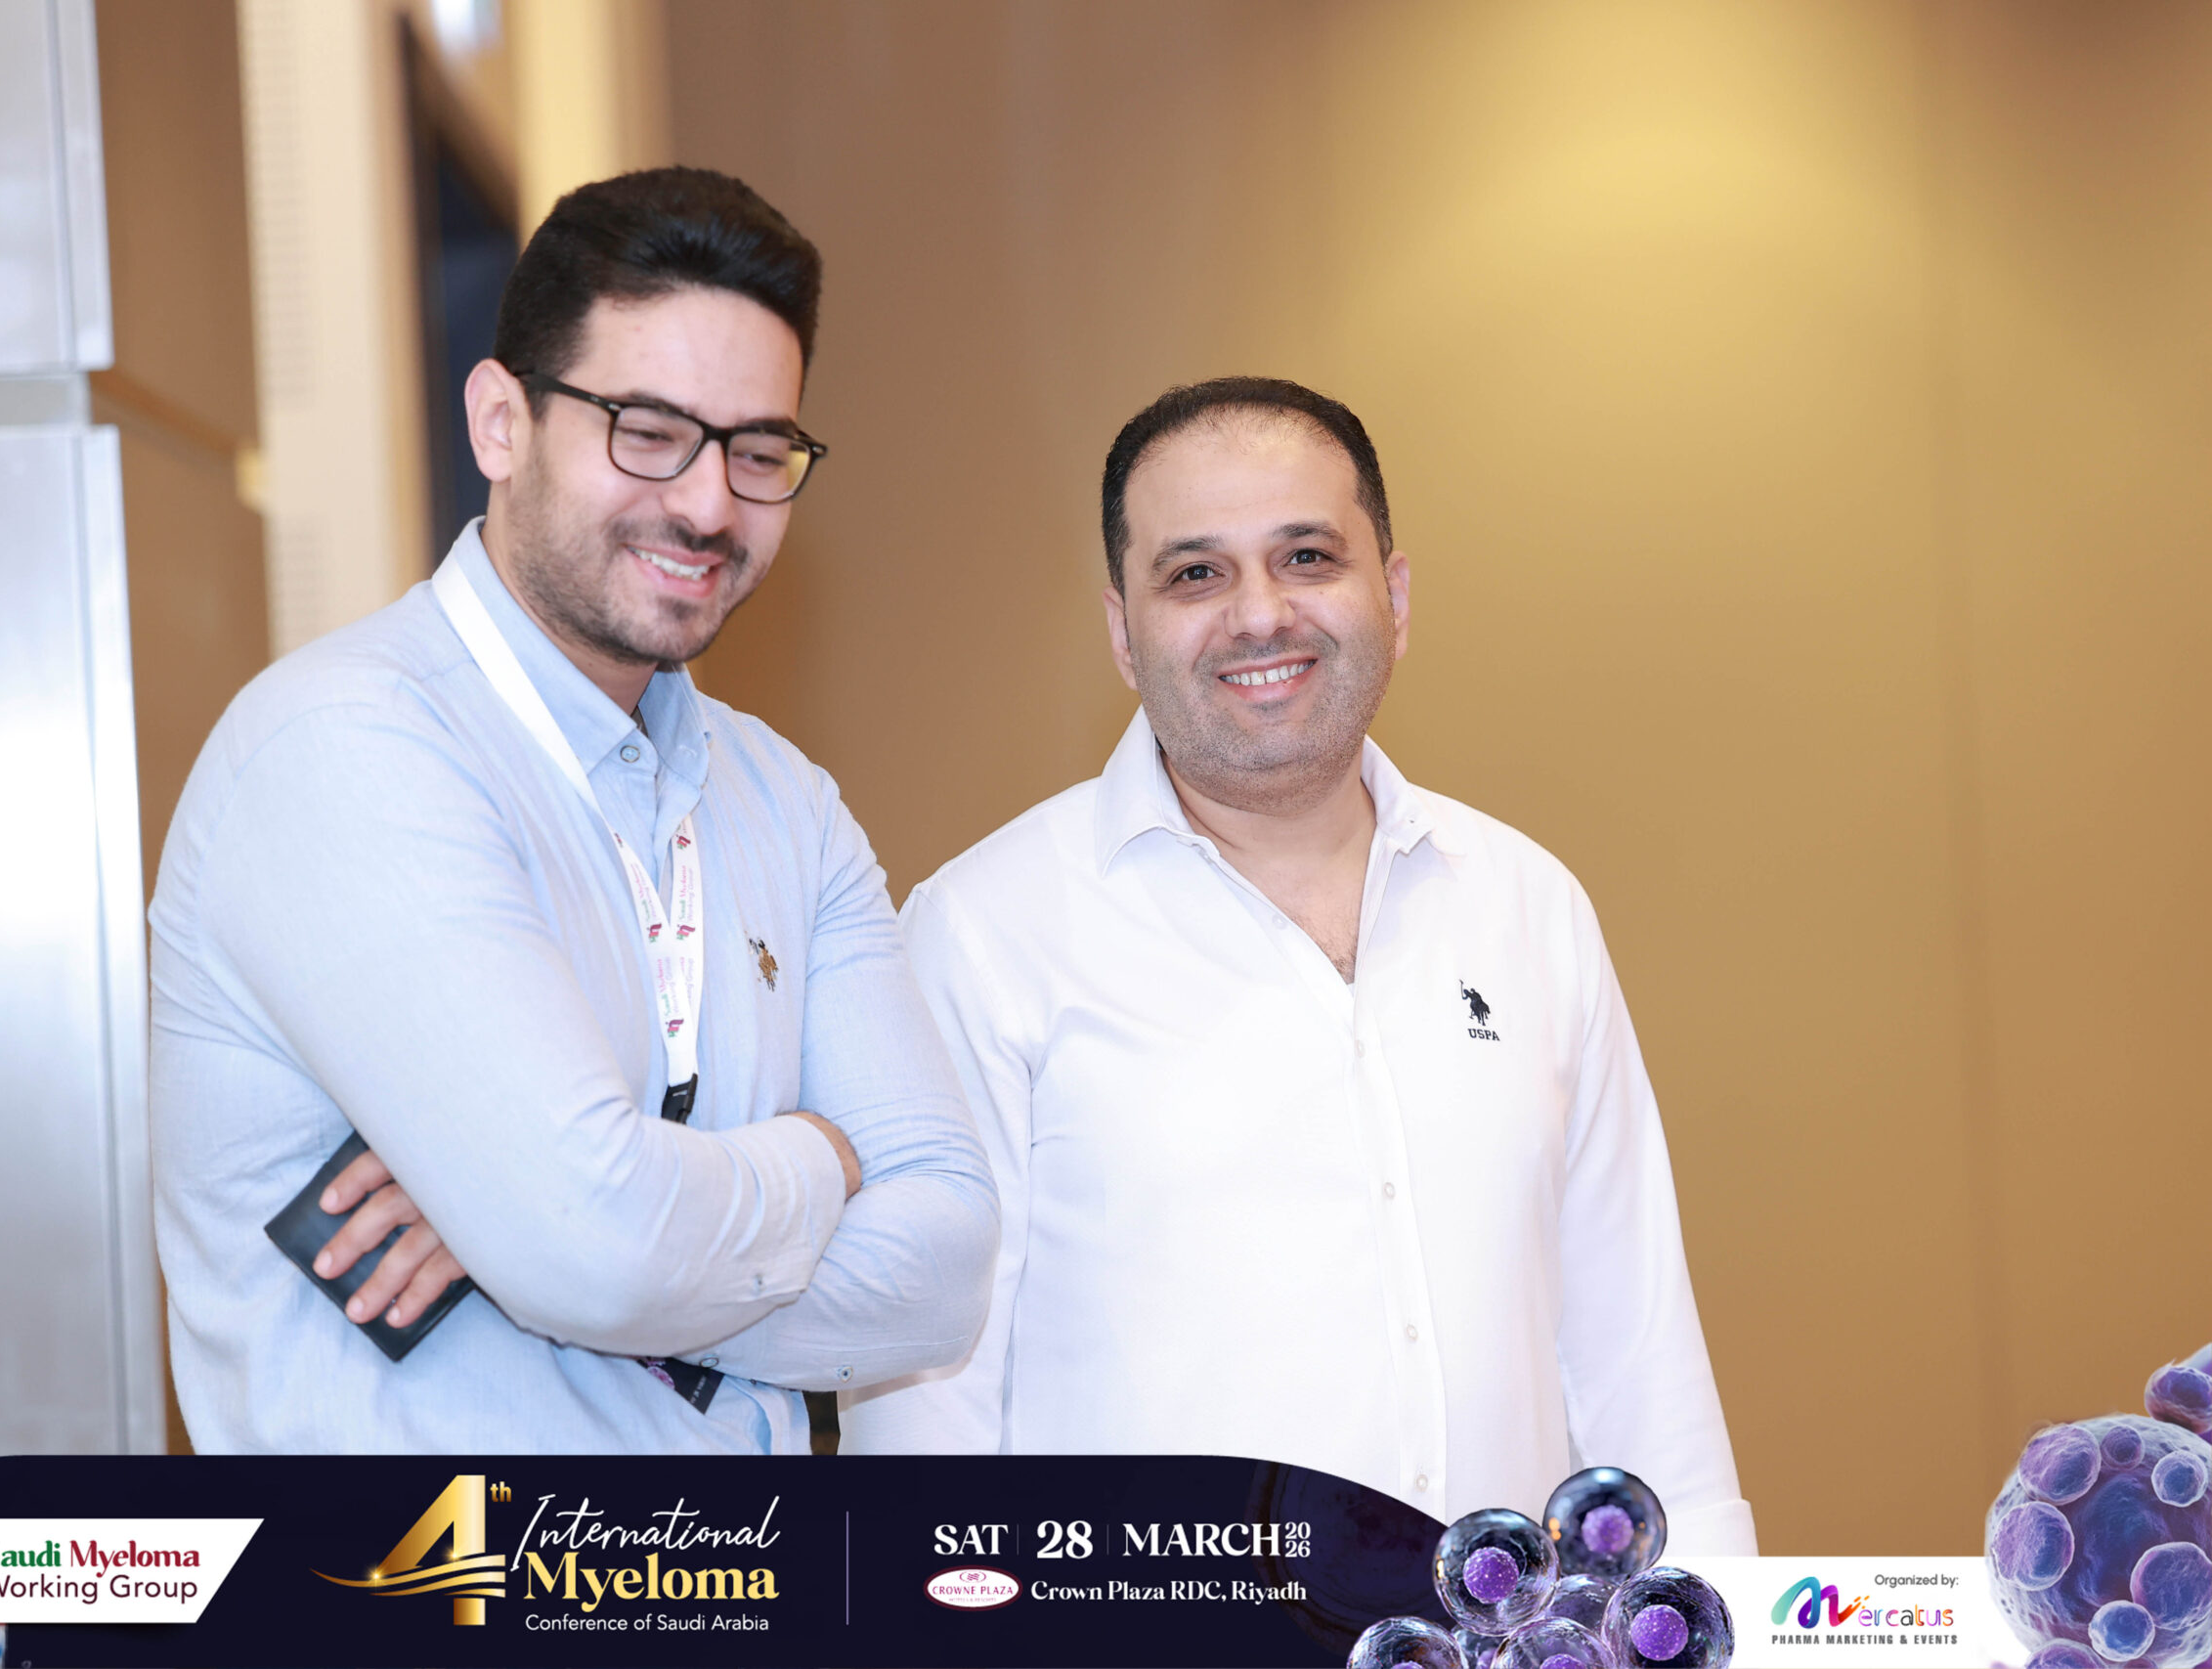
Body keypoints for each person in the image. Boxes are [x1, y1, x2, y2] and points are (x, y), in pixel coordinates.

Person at [149, 168, 997, 1453]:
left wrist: (565, 1237)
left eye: (758, 451)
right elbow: (592, 1243)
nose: (708, 504)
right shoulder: (346, 745)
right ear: (502, 422)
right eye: (647, 431)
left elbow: (943, 1266)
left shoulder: (788, 803)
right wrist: (822, 1156)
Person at [839, 377, 1757, 1553]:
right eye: (1194, 573)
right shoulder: (984, 933)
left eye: (1307, 557)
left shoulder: (1528, 906)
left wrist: (1705, 1606)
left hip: (1501, 1630)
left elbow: (1637, 1362)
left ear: (1395, 596)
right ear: (1122, 631)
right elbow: (925, 1418)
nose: (1259, 615)